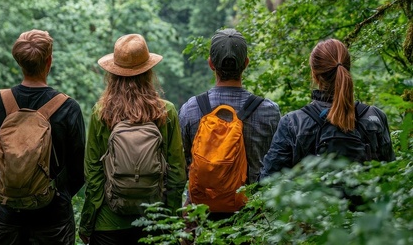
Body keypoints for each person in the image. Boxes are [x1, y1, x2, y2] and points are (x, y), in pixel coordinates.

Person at [0, 29, 86, 244]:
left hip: (9, 218)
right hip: (54, 220)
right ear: (49, 60)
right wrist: (53, 195)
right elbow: (78, 173)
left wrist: (14, 190)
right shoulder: (68, 108)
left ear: (19, 62)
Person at [79, 33, 187, 245]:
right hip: (155, 222)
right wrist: (172, 220)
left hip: (108, 224)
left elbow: (93, 174)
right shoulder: (165, 111)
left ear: (113, 74)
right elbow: (177, 172)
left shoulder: (101, 113)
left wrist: (88, 221)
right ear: (148, 71)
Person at [179, 28, 281, 218]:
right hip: (252, 217)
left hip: (202, 215)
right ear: (246, 63)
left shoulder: (190, 109)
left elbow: (183, 165)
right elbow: (276, 166)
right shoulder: (269, 111)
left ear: (211, 64)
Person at [260, 38, 395, 179]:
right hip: (367, 200)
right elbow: (391, 176)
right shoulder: (375, 117)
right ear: (348, 69)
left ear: (315, 75)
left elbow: (267, 182)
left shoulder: (292, 122)